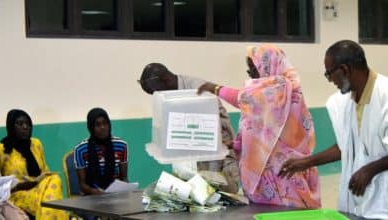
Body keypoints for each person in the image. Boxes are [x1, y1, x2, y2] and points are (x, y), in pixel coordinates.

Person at [197, 44, 321, 208]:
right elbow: (260, 129)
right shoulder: (268, 89)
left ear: (268, 65)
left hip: (283, 173)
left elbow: (245, 99)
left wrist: (215, 88)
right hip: (266, 176)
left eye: (253, 68)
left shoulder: (282, 86)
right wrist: (236, 145)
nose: (251, 74)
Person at [279, 40, 388, 218]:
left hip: (383, 200)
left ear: (344, 70)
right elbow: (345, 147)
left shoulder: (385, 95)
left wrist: (370, 169)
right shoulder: (346, 102)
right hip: (358, 201)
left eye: (329, 74)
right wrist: (306, 162)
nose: (329, 80)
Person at [138, 63, 239, 193]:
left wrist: (212, 176)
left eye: (157, 91)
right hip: (190, 162)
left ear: (166, 80)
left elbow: (217, 132)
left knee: (222, 199)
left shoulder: (199, 90)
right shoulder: (169, 98)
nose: (157, 95)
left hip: (218, 160)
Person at [0, 109, 68, 219]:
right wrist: (19, 185)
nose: (25, 127)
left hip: (40, 187)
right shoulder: (1, 150)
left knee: (54, 178)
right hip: (18, 192)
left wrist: (39, 180)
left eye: (28, 124)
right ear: (11, 126)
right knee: (51, 200)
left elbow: (45, 170)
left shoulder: (36, 143)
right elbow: (0, 185)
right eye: (20, 124)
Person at [74, 107, 128, 195]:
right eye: (97, 125)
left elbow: (124, 177)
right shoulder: (80, 149)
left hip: (115, 195)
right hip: (91, 196)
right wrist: (96, 192)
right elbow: (82, 184)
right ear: (91, 127)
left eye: (105, 123)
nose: (102, 127)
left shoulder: (121, 145)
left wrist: (124, 189)